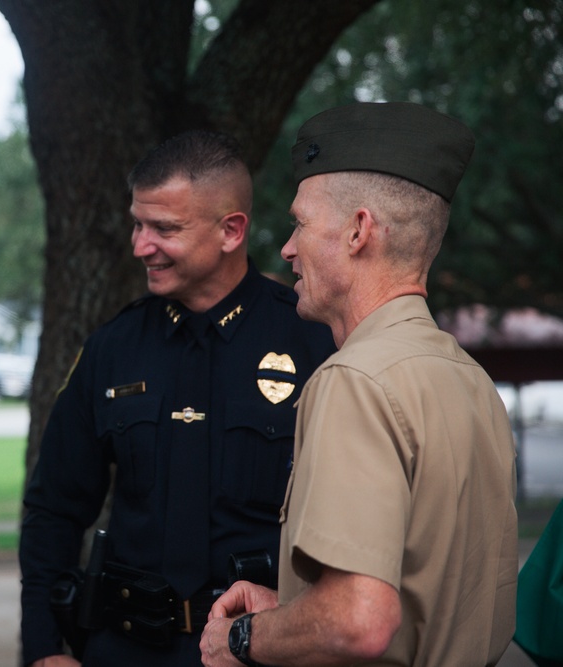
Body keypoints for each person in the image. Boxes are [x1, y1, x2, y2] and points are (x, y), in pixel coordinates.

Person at [200, 102, 518, 667]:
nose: (287, 249)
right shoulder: (471, 381)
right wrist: (293, 612)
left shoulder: (354, 380)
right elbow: (421, 606)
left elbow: (360, 622)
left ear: (358, 231)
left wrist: (242, 639)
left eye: (300, 223)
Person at [20, 130, 336, 667]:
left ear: (231, 230)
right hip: (123, 649)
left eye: (164, 228)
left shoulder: (312, 341)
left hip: (258, 651)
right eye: (138, 224)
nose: (140, 245)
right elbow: (54, 509)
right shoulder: (112, 348)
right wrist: (45, 647)